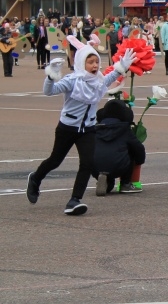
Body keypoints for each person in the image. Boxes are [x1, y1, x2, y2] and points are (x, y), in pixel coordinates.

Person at [26, 35, 135, 215]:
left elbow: (110, 77)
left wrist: (122, 67)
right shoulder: (72, 81)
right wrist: (51, 76)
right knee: (55, 160)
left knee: (87, 163)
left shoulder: (98, 81)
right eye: (90, 62)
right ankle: (35, 179)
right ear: (80, 63)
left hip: (88, 129)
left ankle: (74, 200)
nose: (94, 66)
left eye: (96, 62)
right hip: (67, 127)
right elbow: (48, 92)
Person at [93, 99, 146, 195]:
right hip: (118, 165)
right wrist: (139, 161)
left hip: (94, 166)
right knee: (131, 150)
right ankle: (125, 184)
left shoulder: (95, 128)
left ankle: (105, 181)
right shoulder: (124, 129)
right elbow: (138, 148)